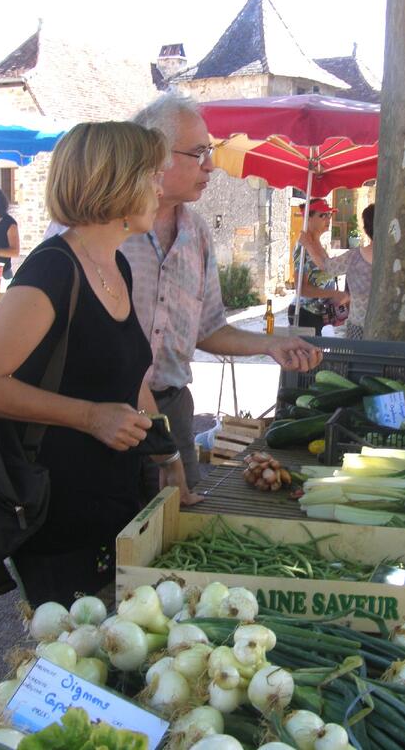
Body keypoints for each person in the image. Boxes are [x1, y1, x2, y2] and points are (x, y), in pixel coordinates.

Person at [0, 121, 189, 607]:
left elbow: (131, 380)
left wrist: (166, 454)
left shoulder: (116, 264)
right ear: (117, 181)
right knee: (74, 651)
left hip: (112, 502)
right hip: (56, 512)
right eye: (150, 176)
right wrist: (91, 416)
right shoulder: (52, 269)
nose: (158, 187)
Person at [124, 91, 323, 496]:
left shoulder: (195, 233)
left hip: (173, 410)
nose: (211, 165)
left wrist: (269, 346)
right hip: (110, 413)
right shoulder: (100, 231)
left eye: (210, 152)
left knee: (179, 530)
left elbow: (208, 329)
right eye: (199, 153)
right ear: (155, 155)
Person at [287, 198, 350, 335]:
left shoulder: (317, 245)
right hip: (305, 313)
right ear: (308, 219)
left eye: (329, 215)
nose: (328, 219)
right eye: (323, 215)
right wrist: (333, 293)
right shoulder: (303, 248)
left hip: (319, 314)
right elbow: (300, 288)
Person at [320, 203, 374, 340]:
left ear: (366, 229)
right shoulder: (399, 259)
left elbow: (328, 267)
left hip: (358, 327)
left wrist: (309, 242)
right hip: (390, 329)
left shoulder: (354, 257)